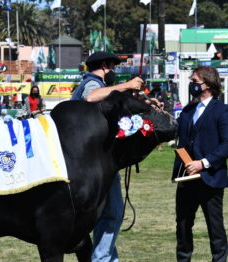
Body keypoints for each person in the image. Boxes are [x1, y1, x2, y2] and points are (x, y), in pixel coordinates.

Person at [71, 51, 143, 262]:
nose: (115, 72)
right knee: (111, 213)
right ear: (104, 65)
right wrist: (126, 86)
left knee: (108, 213)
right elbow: (91, 97)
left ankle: (105, 257)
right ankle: (102, 258)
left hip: (94, 163)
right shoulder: (93, 83)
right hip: (95, 165)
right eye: (113, 67)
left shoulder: (99, 85)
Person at [172, 66, 228, 262]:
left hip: (210, 178)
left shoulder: (222, 111)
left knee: (215, 226)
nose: (192, 85)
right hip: (186, 178)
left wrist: (203, 163)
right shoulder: (187, 110)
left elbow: (226, 145)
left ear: (209, 84)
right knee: (183, 225)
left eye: (195, 81)